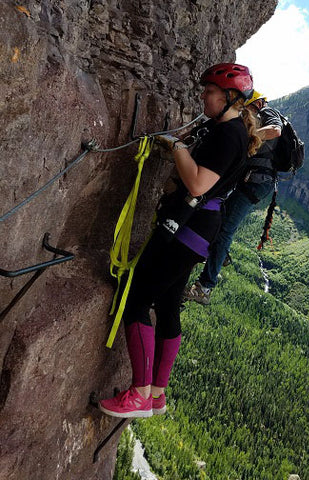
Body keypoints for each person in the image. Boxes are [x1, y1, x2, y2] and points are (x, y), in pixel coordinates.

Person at [99, 63, 261, 418]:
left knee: (138, 300)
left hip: (186, 226)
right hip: (199, 229)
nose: (203, 96)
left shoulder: (228, 134)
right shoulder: (225, 129)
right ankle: (157, 393)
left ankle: (140, 393)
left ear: (229, 97)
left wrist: (176, 148)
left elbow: (198, 184)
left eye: (209, 92)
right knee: (169, 305)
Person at [184, 91, 283, 305]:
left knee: (225, 229)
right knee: (218, 215)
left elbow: (275, 131)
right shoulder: (250, 116)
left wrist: (249, 136)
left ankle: (205, 287)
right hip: (249, 181)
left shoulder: (268, 113)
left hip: (255, 182)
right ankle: (222, 253)